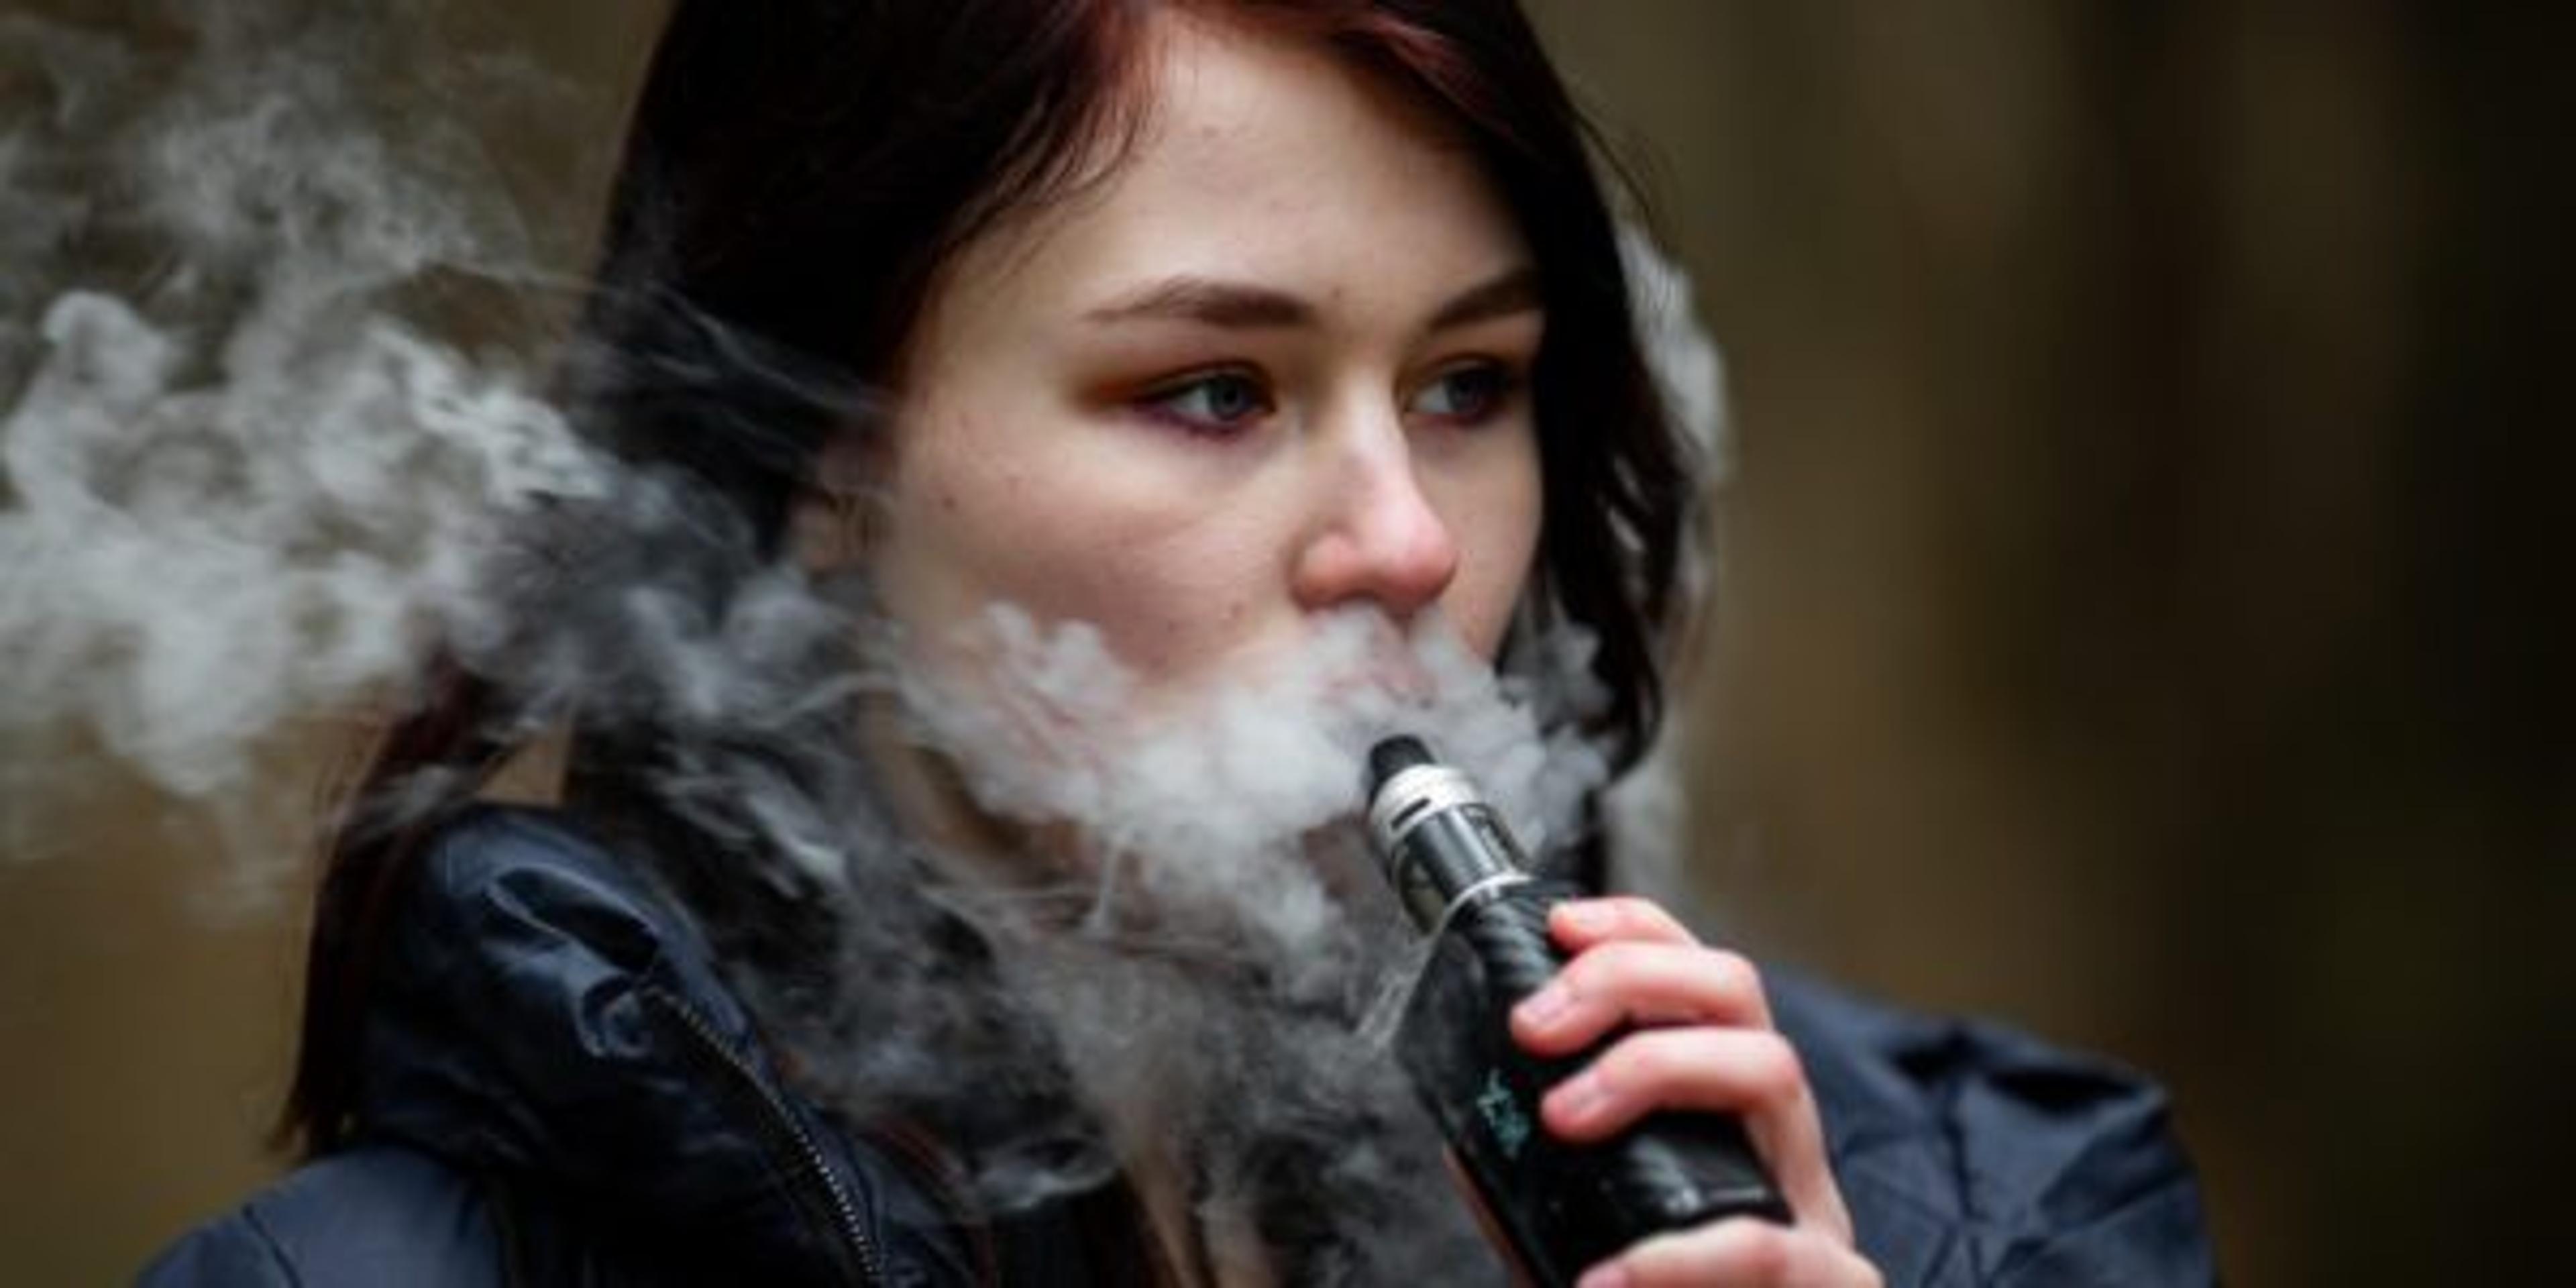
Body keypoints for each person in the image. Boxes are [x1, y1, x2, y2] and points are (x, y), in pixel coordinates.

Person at [141, 2, 2215, 1284]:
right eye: (1214, 393)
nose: (1405, 541)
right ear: (824, 452)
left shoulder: (1987, 1216)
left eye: (1472, 384)